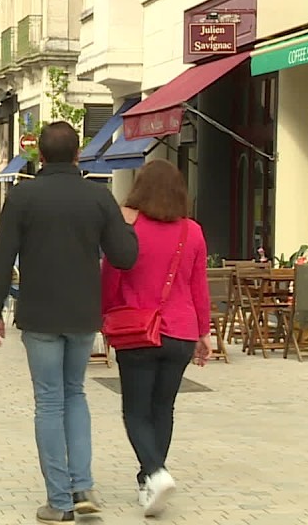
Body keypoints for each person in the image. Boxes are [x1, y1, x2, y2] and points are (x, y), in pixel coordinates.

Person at [0, 121, 139, 523]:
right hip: (83, 313)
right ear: (77, 154)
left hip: (39, 314)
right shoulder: (98, 196)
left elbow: (3, 257)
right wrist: (128, 225)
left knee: (49, 401)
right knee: (76, 394)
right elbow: (124, 256)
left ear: (39, 155)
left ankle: (59, 500)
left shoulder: (22, 196)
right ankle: (82, 487)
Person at [101, 159, 211, 518]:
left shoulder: (129, 228)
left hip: (136, 330)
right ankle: (148, 480)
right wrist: (203, 332)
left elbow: (112, 277)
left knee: (135, 410)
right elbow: (198, 286)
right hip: (180, 331)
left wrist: (104, 313)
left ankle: (155, 471)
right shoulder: (192, 231)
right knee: (164, 407)